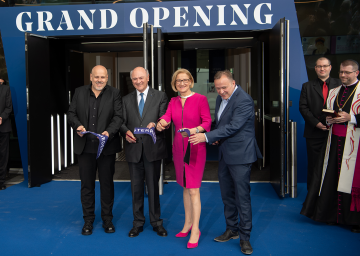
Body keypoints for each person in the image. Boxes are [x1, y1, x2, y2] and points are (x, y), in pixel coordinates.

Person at [190, 70, 262, 255]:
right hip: (224, 154)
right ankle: (232, 229)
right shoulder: (221, 99)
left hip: (241, 156)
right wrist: (211, 133)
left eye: (224, 87)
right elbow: (221, 123)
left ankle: (245, 238)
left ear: (233, 82)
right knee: (226, 195)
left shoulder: (244, 100)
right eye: (218, 88)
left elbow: (234, 126)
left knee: (242, 197)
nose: (221, 91)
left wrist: (206, 136)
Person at [301, 59, 360, 233]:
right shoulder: (334, 92)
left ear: (356, 73)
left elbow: (352, 116)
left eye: (347, 72)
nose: (343, 75)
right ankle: (333, 215)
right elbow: (325, 113)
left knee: (351, 182)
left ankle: (354, 220)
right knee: (332, 178)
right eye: (342, 72)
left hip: (355, 144)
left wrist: (351, 118)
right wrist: (328, 119)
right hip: (333, 143)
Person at [157, 69, 212, 249]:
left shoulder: (200, 99)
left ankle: (195, 229)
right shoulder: (173, 101)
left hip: (195, 147)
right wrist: (162, 121)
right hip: (178, 150)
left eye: (185, 80)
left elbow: (207, 123)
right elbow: (168, 116)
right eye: (178, 81)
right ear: (174, 83)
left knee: (194, 189)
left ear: (190, 81)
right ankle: (187, 223)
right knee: (185, 187)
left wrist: (194, 130)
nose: (182, 83)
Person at [67, 65, 122, 235]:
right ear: (91, 77)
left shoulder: (114, 93)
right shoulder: (79, 92)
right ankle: (88, 221)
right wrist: (77, 126)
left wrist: (108, 132)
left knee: (107, 185)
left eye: (103, 77)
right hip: (85, 148)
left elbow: (119, 117)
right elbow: (71, 114)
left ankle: (107, 220)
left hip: (106, 147)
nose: (99, 80)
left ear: (107, 78)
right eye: (97, 77)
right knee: (87, 186)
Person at [119, 67, 168, 238]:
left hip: (152, 148)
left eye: (141, 78)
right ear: (131, 80)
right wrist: (125, 131)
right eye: (134, 79)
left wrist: (156, 124)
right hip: (133, 149)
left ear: (148, 77)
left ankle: (156, 222)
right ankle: (137, 223)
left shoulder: (160, 96)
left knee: (153, 188)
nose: (138, 81)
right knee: (136, 188)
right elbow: (121, 122)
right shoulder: (125, 100)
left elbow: (164, 117)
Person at [299, 57, 341, 191]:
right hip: (314, 132)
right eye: (319, 66)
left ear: (330, 67)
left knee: (334, 165)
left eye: (324, 66)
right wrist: (316, 123)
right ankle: (312, 196)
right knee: (314, 165)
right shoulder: (307, 86)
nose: (322, 69)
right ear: (315, 68)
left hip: (335, 130)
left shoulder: (340, 84)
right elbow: (303, 108)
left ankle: (330, 195)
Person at [0, 78, 12, 191]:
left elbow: (9, 107)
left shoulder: (6, 89)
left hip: (3, 127)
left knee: (3, 155)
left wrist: (1, 117)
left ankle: (1, 181)